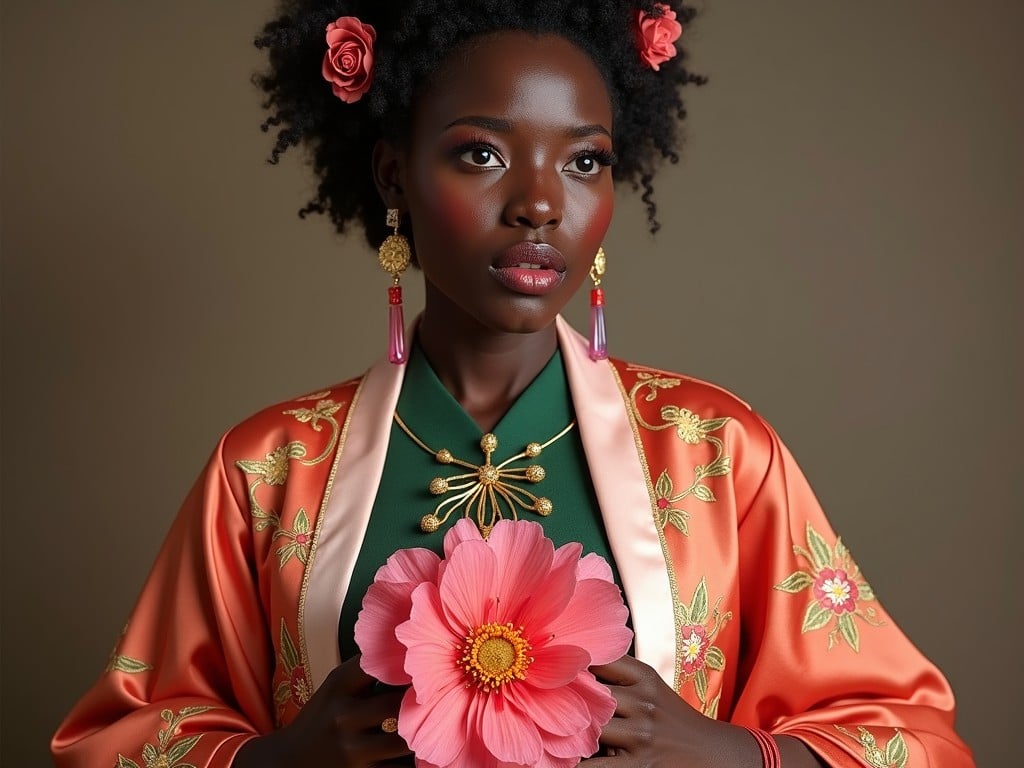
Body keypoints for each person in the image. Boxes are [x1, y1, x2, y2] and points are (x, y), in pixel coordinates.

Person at [52, 2, 975, 767]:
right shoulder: (266, 468)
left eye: (584, 162)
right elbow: (112, 740)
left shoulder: (716, 452)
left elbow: (916, 739)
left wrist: (727, 754)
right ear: (393, 177)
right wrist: (275, 762)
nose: (541, 202)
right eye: (482, 154)